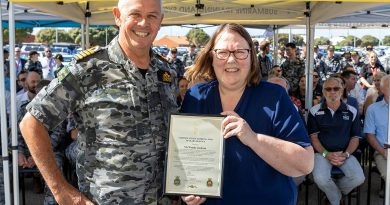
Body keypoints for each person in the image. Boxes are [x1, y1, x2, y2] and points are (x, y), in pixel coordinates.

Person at [19, 0, 177, 204]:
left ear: (161, 21)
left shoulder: (166, 74)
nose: (143, 23)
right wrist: (63, 192)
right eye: (135, 14)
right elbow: (31, 124)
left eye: (152, 16)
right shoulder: (88, 69)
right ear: (118, 16)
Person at [181, 23, 313, 205]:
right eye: (222, 52)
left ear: (252, 56)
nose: (231, 60)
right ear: (211, 56)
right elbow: (183, 158)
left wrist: (253, 138)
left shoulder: (274, 96)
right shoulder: (196, 97)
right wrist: (186, 187)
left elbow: (304, 164)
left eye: (240, 52)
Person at [307, 77, 365, 205]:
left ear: (342, 90)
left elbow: (355, 137)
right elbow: (314, 138)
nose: (332, 91)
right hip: (322, 154)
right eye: (328, 89)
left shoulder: (352, 111)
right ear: (323, 91)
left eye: (336, 88)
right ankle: (337, 199)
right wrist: (326, 154)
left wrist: (346, 154)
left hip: (345, 154)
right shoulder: (314, 111)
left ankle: (332, 192)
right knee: (320, 179)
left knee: (359, 178)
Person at [364, 75, 389, 182]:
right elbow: (370, 135)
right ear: (382, 89)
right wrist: (383, 152)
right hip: (383, 151)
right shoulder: (373, 109)